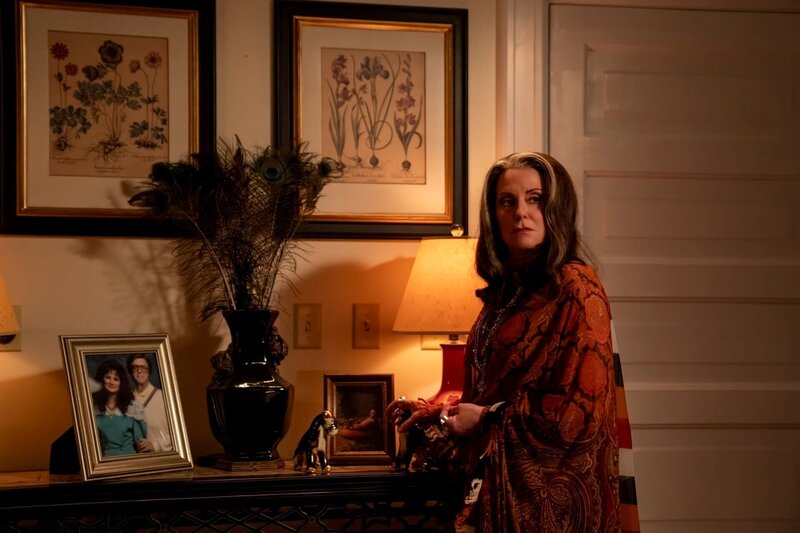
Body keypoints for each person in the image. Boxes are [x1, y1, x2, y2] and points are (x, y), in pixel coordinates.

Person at [387, 152, 620, 531]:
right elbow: (491, 391)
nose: (520, 213)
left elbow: (579, 417)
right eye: (507, 202)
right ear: (493, 215)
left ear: (557, 208)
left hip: (547, 507)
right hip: (490, 489)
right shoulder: (505, 294)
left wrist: (486, 417)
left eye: (535, 199)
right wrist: (441, 414)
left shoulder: (575, 287)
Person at [92, 359, 147, 456]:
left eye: (116, 379)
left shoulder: (133, 408)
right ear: (101, 379)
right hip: (104, 460)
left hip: (129, 458)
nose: (111, 382)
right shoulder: (93, 408)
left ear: (121, 383)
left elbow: (140, 443)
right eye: (108, 377)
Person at [127, 353, 173, 453]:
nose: (139, 371)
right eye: (135, 368)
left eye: (143, 367)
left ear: (149, 372)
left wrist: (156, 445)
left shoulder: (164, 397)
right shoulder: (128, 400)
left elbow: (178, 433)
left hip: (162, 457)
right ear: (131, 372)